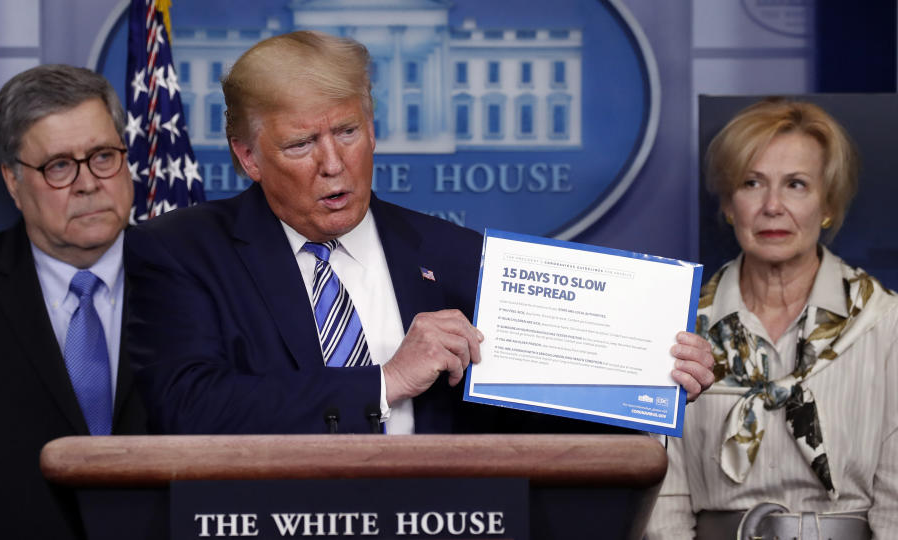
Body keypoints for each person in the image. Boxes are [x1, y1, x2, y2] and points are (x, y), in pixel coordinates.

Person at [124, 30, 714, 436]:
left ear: (373, 129)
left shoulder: (457, 255)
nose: (333, 164)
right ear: (249, 157)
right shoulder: (182, 251)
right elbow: (187, 408)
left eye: (348, 132)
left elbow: (532, 415)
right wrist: (383, 383)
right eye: (302, 144)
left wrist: (650, 384)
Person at [646, 99, 898, 539]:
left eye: (796, 184)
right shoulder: (679, 324)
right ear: (729, 203)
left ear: (828, 203)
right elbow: (665, 498)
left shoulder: (886, 323)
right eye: (752, 183)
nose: (772, 206)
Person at [0, 65, 147, 539]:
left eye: (102, 156)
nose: (89, 183)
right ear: (13, 182)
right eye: (58, 166)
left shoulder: (195, 283)